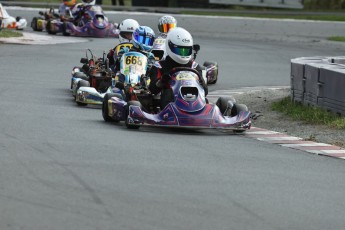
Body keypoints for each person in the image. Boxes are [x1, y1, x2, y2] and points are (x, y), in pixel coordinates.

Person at [148, 27, 208, 109]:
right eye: (180, 50)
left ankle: (198, 112)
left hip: (194, 101)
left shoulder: (194, 66)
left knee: (207, 100)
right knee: (167, 93)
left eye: (186, 51)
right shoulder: (160, 66)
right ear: (169, 47)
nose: (183, 54)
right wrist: (162, 81)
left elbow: (205, 91)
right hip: (169, 104)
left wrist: (200, 80)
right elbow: (153, 90)